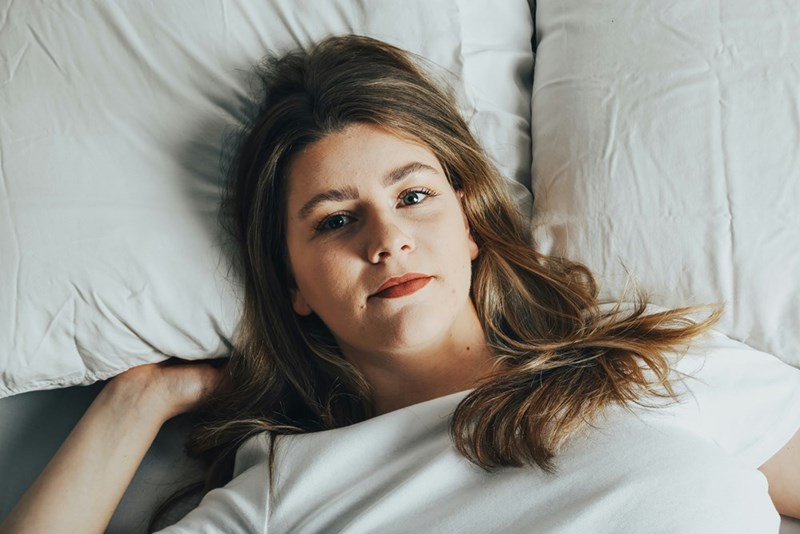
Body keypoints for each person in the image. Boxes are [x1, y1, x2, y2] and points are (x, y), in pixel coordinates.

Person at [2, 35, 799, 534]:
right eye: (334, 220)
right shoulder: (289, 486)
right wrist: (134, 401)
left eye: (413, 196)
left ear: (471, 221)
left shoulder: (649, 362)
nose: (387, 240)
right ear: (295, 288)